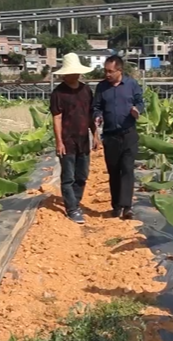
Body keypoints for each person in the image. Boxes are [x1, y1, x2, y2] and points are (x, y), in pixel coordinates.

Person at [50, 53, 100, 224]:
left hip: (83, 140)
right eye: (71, 72)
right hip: (67, 140)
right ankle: (71, 209)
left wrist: (95, 135)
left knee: (82, 175)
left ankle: (75, 203)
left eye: (76, 72)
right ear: (64, 74)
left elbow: (90, 115)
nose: (74, 75)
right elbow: (57, 117)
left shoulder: (86, 90)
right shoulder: (58, 93)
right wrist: (59, 142)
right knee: (68, 177)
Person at [92, 55, 144, 220]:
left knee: (127, 169)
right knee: (114, 171)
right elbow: (96, 107)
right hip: (110, 135)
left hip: (128, 133)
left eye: (110, 71)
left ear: (119, 70)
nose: (107, 74)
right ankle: (116, 206)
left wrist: (137, 110)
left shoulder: (131, 85)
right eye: (105, 71)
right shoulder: (101, 87)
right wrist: (97, 116)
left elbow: (140, 102)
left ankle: (127, 207)